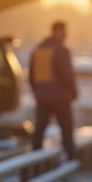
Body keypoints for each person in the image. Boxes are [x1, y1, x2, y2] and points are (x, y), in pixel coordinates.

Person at [28, 20, 78, 160]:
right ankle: (71, 157)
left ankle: (35, 159)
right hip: (60, 97)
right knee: (66, 129)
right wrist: (73, 92)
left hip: (42, 98)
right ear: (58, 31)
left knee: (39, 129)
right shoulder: (61, 50)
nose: (66, 34)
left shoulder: (38, 50)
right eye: (64, 31)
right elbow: (66, 74)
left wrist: (37, 91)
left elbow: (31, 76)